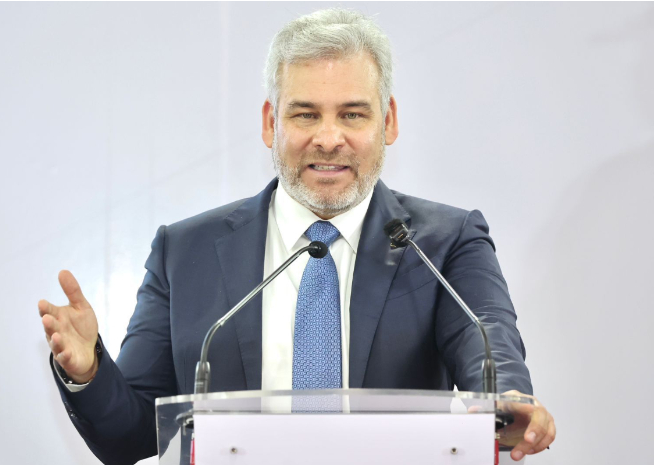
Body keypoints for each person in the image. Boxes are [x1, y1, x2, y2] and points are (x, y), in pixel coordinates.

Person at [39, 8, 555, 464]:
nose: (328, 138)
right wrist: (88, 372)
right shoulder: (184, 252)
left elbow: (487, 339)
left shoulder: (445, 241)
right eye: (305, 114)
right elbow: (129, 435)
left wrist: (507, 400)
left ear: (388, 121)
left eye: (352, 114)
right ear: (271, 123)